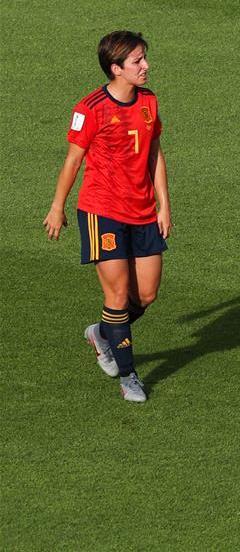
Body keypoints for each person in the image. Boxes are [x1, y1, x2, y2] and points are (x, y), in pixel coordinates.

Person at [43, 31, 171, 403]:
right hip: (102, 212)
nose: (146, 66)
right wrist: (57, 207)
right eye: (137, 61)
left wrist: (164, 205)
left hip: (143, 211)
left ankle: (102, 333)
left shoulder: (148, 101)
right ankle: (129, 376)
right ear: (116, 69)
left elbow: (154, 152)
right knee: (116, 294)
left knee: (145, 294)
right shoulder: (91, 108)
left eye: (144, 58)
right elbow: (73, 161)